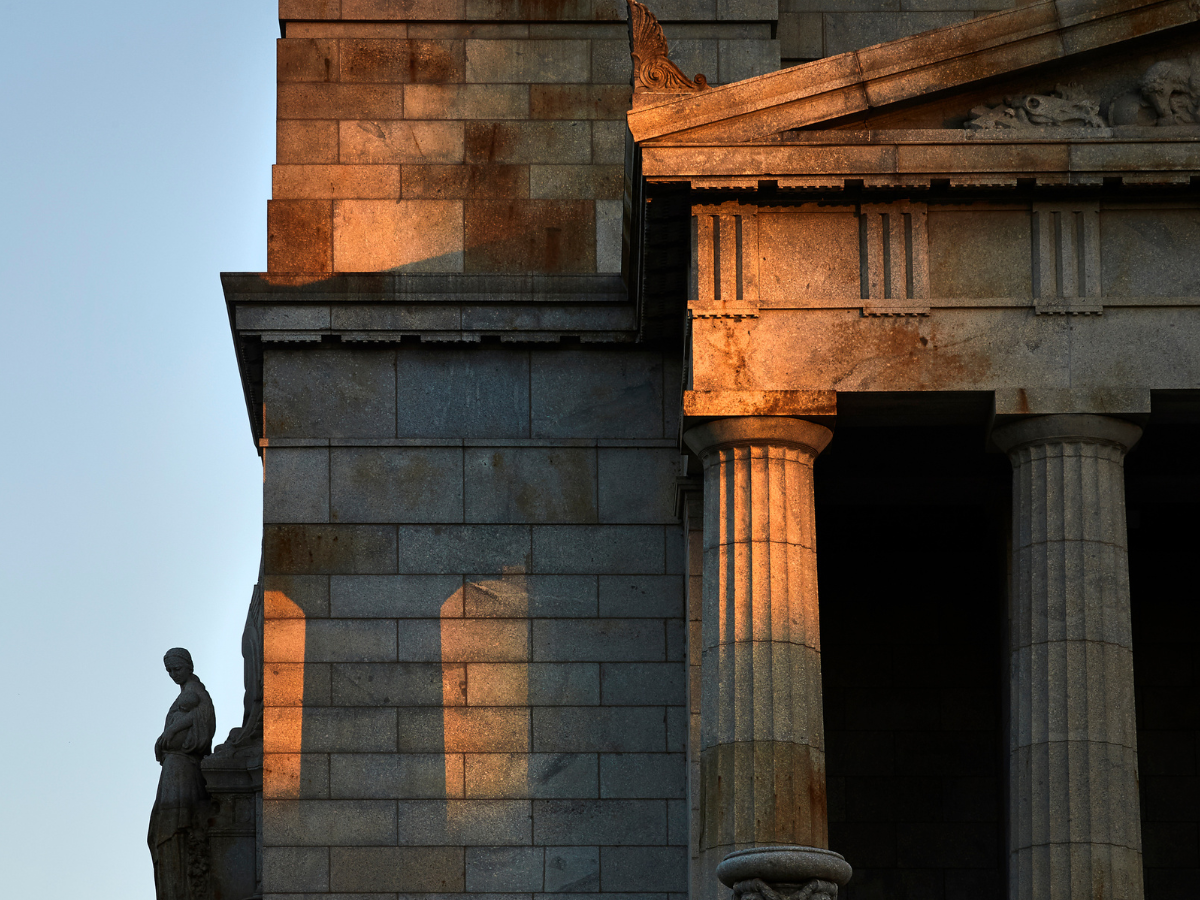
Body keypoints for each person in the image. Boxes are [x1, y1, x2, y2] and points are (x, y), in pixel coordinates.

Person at [148, 648, 216, 900]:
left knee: (173, 826)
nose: (173, 675)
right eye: (169, 671)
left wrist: (170, 731)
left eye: (176, 669)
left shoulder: (194, 691)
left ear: (189, 666)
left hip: (182, 769)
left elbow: (203, 713)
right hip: (173, 767)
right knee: (160, 829)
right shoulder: (186, 693)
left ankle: (182, 888)